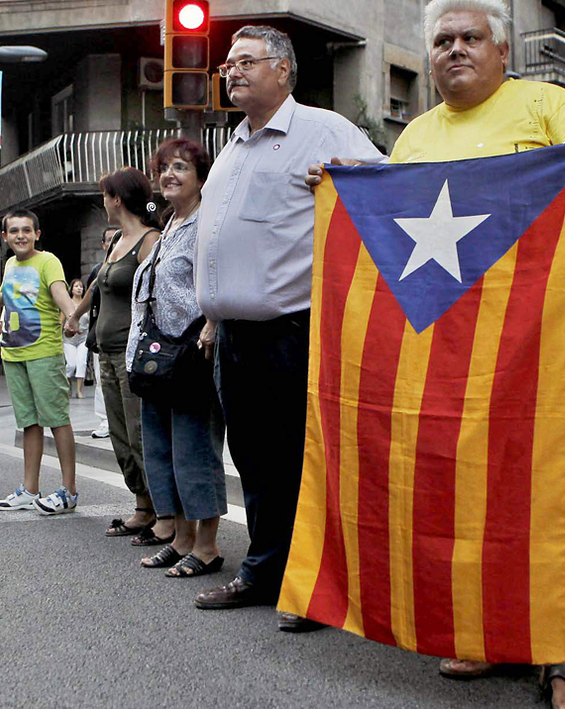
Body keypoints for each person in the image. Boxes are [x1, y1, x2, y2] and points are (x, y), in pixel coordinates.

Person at [309, 1, 565, 705]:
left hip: (553, 344)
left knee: (562, 499)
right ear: (429, 59)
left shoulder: (549, 105)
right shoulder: (415, 137)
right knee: (460, 498)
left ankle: (564, 654)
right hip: (447, 356)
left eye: (470, 37)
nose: (454, 49)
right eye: (442, 41)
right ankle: (483, 632)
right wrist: (345, 196)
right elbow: (391, 249)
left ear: (500, 49)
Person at [193, 25, 383, 625]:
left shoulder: (323, 130)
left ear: (283, 71)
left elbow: (388, 193)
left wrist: (343, 186)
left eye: (246, 61)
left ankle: (316, 588)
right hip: (233, 336)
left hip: (292, 333)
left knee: (301, 463)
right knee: (254, 460)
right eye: (228, 63)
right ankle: (267, 570)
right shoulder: (233, 145)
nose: (231, 70)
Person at [131, 138, 228, 578]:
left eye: (181, 168)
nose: (169, 175)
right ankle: (181, 539)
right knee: (162, 447)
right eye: (164, 168)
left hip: (192, 350)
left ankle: (206, 546)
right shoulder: (169, 224)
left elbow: (221, 277)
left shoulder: (209, 222)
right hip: (157, 355)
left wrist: (212, 324)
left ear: (201, 178)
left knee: (194, 447)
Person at [66, 168, 166, 541]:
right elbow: (97, 284)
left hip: (133, 354)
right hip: (104, 352)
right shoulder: (116, 241)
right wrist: (76, 314)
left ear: (118, 199)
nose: (103, 202)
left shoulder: (149, 240)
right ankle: (142, 506)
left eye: (105, 195)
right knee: (120, 435)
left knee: (140, 432)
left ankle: (162, 512)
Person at [0, 210, 81, 514]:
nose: (20, 236)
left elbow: (59, 293)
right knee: (28, 423)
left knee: (57, 419)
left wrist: (71, 315)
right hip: (12, 353)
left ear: (37, 234)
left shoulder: (48, 261)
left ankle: (69, 491)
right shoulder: (11, 264)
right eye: (14, 231)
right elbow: (6, 293)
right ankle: (29, 489)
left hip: (43, 352)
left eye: (26, 230)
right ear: (5, 237)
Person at [86, 227, 118, 438]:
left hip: (124, 335)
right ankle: (106, 422)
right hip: (101, 334)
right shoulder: (98, 270)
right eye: (110, 240)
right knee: (102, 381)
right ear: (104, 245)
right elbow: (90, 301)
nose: (114, 243)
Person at [63, 279, 89, 398]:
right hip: (69, 339)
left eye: (81, 286)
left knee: (81, 363)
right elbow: (61, 321)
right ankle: (68, 385)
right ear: (72, 289)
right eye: (76, 286)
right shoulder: (67, 304)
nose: (79, 288)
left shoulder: (86, 304)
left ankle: (79, 390)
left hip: (83, 338)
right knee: (71, 365)